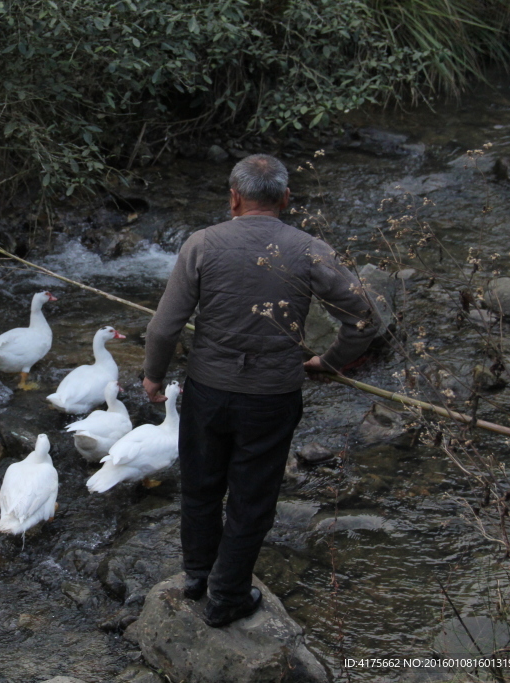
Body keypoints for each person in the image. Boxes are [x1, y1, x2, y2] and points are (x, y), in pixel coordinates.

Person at [141, 153, 379, 627]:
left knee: (201, 487)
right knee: (251, 499)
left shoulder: (201, 244)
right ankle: (226, 595)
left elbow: (164, 328)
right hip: (272, 398)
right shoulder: (310, 249)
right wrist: (329, 363)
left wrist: (152, 375)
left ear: (233, 197)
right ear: (286, 198)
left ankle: (197, 576)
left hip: (207, 390)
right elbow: (363, 320)